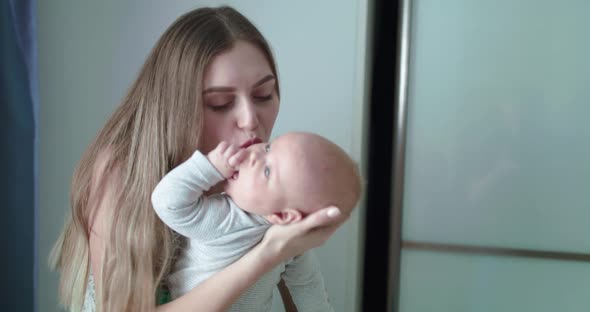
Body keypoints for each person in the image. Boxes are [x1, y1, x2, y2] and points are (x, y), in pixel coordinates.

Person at [49, 6, 349, 312]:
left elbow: (307, 289)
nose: (249, 120)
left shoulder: (267, 178)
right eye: (219, 103)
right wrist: (266, 255)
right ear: (175, 106)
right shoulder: (120, 172)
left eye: (264, 95)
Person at [151, 132, 362, 311]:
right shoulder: (223, 216)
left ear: (284, 217)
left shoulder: (292, 244)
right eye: (269, 148)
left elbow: (308, 286)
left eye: (267, 170)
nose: (255, 155)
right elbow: (166, 202)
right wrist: (210, 166)